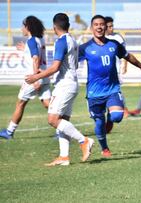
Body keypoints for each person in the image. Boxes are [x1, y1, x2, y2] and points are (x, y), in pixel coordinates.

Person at [78, 15, 141, 157]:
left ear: (106, 27)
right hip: (94, 92)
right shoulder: (85, 48)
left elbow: (127, 56)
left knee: (117, 116)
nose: (99, 27)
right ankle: (104, 148)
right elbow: (71, 61)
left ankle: (110, 115)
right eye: (96, 25)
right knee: (99, 123)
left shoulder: (113, 44)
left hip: (112, 89)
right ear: (92, 27)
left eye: (102, 24)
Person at [25, 13, 94, 166]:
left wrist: (36, 77)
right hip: (72, 83)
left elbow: (55, 67)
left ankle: (84, 140)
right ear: (68, 25)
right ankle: (64, 157)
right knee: (64, 120)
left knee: (53, 120)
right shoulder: (73, 40)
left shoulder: (62, 41)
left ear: (54, 27)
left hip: (64, 85)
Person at [0, 16, 51, 139]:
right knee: (48, 104)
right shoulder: (40, 39)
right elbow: (35, 55)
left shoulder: (32, 41)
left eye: (23, 26)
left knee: (20, 103)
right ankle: (62, 128)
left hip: (34, 78)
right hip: (43, 76)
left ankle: (9, 132)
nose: (21, 28)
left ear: (28, 27)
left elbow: (35, 59)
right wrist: (25, 49)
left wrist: (35, 78)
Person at [104, 16, 129, 133]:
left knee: (115, 92)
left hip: (116, 72)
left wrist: (124, 65)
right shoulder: (101, 38)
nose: (111, 28)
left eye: (112, 25)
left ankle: (119, 110)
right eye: (108, 26)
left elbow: (125, 53)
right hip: (102, 75)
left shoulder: (117, 37)